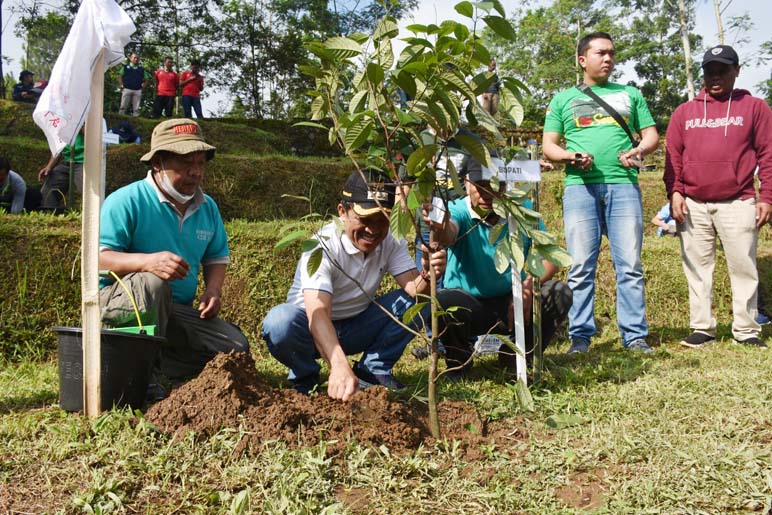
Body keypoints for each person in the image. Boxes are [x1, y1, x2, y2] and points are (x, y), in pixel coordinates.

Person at [261, 169, 447, 401]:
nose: (373, 229)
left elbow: (413, 288)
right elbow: (318, 313)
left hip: (356, 326)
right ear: (342, 211)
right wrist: (338, 365)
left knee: (420, 302)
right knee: (279, 323)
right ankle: (305, 375)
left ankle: (373, 369)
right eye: (365, 219)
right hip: (309, 330)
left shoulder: (391, 240)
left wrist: (429, 275)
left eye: (382, 219)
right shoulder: (322, 245)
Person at [99, 118, 249, 397]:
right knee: (151, 283)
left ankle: (158, 362)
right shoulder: (125, 201)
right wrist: (147, 262)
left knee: (235, 349)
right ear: (157, 163)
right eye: (185, 163)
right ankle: (137, 372)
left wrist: (213, 289)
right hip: (119, 309)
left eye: (201, 163)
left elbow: (216, 256)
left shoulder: (207, 206)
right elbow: (98, 260)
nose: (196, 172)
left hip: (175, 312)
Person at [542, 32, 659, 354]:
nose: (608, 59)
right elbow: (549, 145)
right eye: (600, 53)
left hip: (624, 186)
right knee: (580, 266)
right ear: (582, 60)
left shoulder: (630, 94)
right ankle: (580, 336)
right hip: (580, 189)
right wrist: (570, 157)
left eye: (611, 53)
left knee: (630, 266)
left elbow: (651, 135)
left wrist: (639, 150)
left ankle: (634, 336)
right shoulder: (562, 99)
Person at [421, 157, 572, 378]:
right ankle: (459, 359)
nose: (486, 194)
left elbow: (551, 258)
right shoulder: (458, 210)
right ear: (467, 183)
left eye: (494, 186)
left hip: (512, 301)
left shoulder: (522, 210)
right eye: (480, 186)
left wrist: (528, 287)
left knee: (559, 293)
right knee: (443, 303)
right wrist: (440, 225)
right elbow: (449, 232)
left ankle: (519, 354)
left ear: (505, 186)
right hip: (468, 305)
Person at [664, 44, 772, 349]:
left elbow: (768, 154)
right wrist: (675, 191)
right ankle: (702, 327)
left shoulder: (755, 108)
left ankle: (746, 329)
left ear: (736, 71)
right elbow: (673, 156)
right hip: (694, 203)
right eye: (709, 70)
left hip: (738, 200)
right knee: (697, 269)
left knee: (743, 266)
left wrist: (767, 197)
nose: (715, 76)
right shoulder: (684, 111)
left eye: (722, 70)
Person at [38, 131, 85, 210]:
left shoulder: (89, 120)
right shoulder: (60, 124)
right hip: (66, 162)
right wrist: (49, 167)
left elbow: (95, 137)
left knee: (88, 192)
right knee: (47, 192)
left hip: (84, 162)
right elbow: (58, 149)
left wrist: (79, 127)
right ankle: (51, 216)